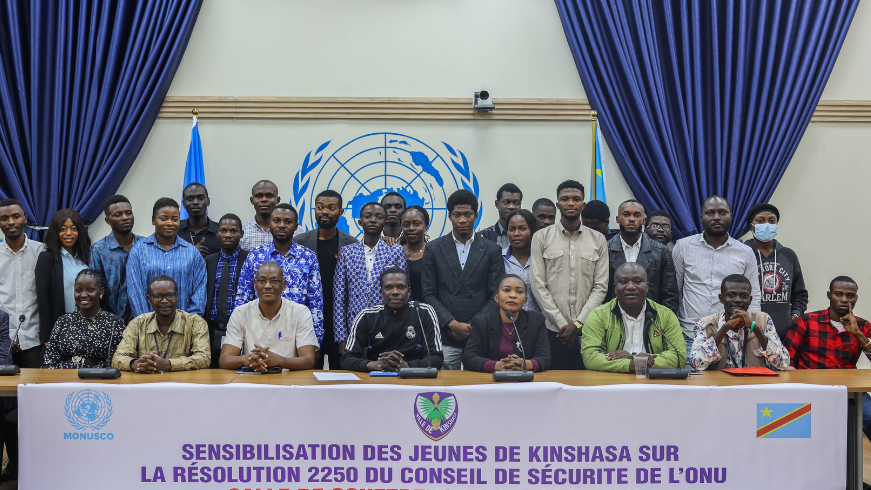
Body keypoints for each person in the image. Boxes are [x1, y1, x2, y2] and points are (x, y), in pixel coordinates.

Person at [421, 190, 504, 370]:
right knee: (445, 385)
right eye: (457, 215)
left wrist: (474, 325)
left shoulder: (491, 250)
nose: (462, 220)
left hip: (480, 333)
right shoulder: (434, 248)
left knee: (480, 383)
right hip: (446, 333)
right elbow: (428, 294)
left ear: (476, 215)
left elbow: (496, 295)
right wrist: (451, 324)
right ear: (449, 216)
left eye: (468, 214)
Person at [673, 195, 760, 366]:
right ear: (701, 217)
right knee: (693, 382)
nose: (717, 217)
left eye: (722, 213)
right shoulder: (682, 247)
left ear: (731, 216)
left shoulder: (745, 252)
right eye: (710, 213)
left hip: (733, 337)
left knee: (730, 383)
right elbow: (675, 291)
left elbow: (754, 297)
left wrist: (751, 334)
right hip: (691, 335)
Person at [531, 180, 608, 370]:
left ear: (583, 203)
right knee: (551, 383)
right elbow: (538, 285)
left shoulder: (598, 239)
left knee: (588, 383)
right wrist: (562, 324)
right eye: (565, 199)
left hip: (589, 330)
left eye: (576, 199)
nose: (571, 203)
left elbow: (600, 287)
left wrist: (578, 324)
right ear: (558, 204)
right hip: (551, 330)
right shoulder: (541, 237)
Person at [783, 277, 871, 441]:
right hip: (810, 389)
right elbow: (786, 359)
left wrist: (858, 335)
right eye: (838, 294)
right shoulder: (807, 321)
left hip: (850, 391)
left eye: (850, 296)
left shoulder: (862, 326)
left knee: (870, 416)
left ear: (856, 298)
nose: (844, 299)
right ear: (829, 295)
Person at [234, 203, 325, 344]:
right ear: (270, 223)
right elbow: (243, 298)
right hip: (259, 334)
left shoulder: (308, 257)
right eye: (276, 221)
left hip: (297, 335)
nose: (281, 225)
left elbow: (315, 302)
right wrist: (240, 338)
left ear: (296, 227)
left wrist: (315, 342)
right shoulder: (255, 255)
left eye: (288, 222)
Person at [580, 263, 685, 373]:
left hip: (653, 380)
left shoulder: (666, 315)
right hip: (613, 380)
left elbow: (679, 357)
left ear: (647, 287)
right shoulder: (598, 315)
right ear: (615, 288)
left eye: (638, 281)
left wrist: (636, 361)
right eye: (623, 282)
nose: (631, 287)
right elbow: (590, 357)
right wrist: (630, 364)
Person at [295, 190, 357, 369]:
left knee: (342, 378)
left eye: (331, 208)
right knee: (309, 377)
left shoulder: (351, 244)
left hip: (340, 324)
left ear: (341, 212)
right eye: (320, 207)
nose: (325, 212)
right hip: (309, 322)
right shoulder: (300, 242)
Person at [218, 262, 318, 371]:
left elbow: (309, 360)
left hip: (287, 378)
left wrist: (280, 361)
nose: (267, 286)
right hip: (252, 377)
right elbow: (224, 360)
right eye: (262, 281)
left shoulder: (300, 313)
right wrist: (248, 359)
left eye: (274, 281)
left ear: (283, 285)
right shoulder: (240, 313)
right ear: (255, 284)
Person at [341, 267, 443, 372]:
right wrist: (374, 365)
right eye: (388, 287)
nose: (395, 292)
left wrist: (407, 366)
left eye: (401, 287)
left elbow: (437, 358)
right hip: (377, 376)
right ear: (381, 292)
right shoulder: (366, 316)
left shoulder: (424, 312)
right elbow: (346, 358)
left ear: (408, 291)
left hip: (414, 375)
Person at [334, 203, 407, 348]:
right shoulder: (347, 252)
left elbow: (404, 294)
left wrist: (401, 330)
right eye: (368, 216)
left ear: (385, 223)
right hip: (354, 326)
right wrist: (341, 338)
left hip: (388, 324)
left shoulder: (396, 251)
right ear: (360, 222)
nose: (373, 220)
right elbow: (339, 297)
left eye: (379, 217)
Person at [126, 198, 207, 318]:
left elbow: (199, 294)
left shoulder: (192, 253)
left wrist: (188, 323)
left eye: (175, 219)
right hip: (147, 325)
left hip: (185, 325)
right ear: (153, 220)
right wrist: (147, 324)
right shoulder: (138, 251)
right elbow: (135, 294)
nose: (170, 223)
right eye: (163, 219)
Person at [690, 275, 789, 371]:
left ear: (750, 300)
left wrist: (755, 328)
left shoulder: (764, 319)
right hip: (720, 381)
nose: (737, 300)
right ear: (721, 298)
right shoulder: (705, 324)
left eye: (744, 296)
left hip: (755, 381)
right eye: (731, 295)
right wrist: (725, 327)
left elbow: (783, 363)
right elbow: (696, 364)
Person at [112, 275, 210, 372]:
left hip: (181, 381)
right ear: (149, 299)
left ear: (176, 296)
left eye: (170, 295)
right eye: (157, 297)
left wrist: (168, 364)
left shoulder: (196, 323)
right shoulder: (137, 324)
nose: (164, 301)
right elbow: (117, 358)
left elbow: (204, 358)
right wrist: (136, 364)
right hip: (147, 380)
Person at [743, 203, 808, 341]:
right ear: (751, 226)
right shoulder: (742, 254)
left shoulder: (788, 256)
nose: (767, 225)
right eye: (760, 221)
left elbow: (800, 295)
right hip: (749, 334)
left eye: (772, 221)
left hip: (783, 335)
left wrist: (793, 318)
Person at [463, 274, 550, 372]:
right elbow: (469, 358)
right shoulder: (482, 322)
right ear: (496, 297)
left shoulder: (536, 320)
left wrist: (525, 364)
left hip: (525, 379)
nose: (513, 295)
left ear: (525, 300)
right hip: (490, 379)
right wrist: (498, 366)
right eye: (506, 290)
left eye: (519, 291)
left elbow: (545, 358)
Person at [43, 269, 126, 369]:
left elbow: (117, 362)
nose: (83, 295)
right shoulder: (63, 321)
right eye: (78, 290)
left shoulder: (114, 323)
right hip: (63, 375)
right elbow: (49, 361)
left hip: (98, 376)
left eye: (90, 290)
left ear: (101, 292)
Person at [605, 200, 678, 312]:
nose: (632, 219)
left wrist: (663, 320)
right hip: (613, 316)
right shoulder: (605, 249)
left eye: (637, 215)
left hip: (650, 316)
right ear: (618, 219)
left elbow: (670, 294)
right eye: (626, 214)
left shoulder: (661, 251)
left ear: (644, 221)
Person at [0, 199, 45, 368]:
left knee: (34, 385)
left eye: (16, 216)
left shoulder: (42, 251)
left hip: (34, 341)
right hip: (2, 342)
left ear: (25, 219)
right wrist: (4, 337)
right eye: (4, 218)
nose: (11, 222)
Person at [35, 209, 90, 344]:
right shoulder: (47, 258)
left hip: (89, 326)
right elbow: (43, 298)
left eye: (74, 228)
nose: (69, 233)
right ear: (55, 232)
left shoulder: (87, 257)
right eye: (63, 229)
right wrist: (47, 337)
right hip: (61, 329)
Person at [204, 214, 249, 368]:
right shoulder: (208, 261)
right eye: (223, 231)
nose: (228, 235)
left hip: (242, 330)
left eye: (233, 231)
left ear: (241, 234)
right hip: (212, 329)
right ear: (217, 233)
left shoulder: (249, 259)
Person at [90, 195, 143, 323]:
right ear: (108, 221)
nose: (125, 217)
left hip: (145, 320)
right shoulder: (99, 250)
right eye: (118, 215)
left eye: (128, 213)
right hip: (113, 322)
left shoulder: (145, 245)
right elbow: (95, 290)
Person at [502, 209, 539, 312]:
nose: (516, 233)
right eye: (512, 229)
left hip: (538, 319)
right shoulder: (500, 258)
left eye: (522, 229)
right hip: (509, 318)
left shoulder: (541, 259)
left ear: (532, 231)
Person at [178, 182, 220, 257]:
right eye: (190, 199)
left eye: (200, 198)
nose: (195, 202)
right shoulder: (175, 230)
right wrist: (190, 254)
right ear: (183, 204)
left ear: (208, 201)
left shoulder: (221, 231)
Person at [240, 180, 280, 251]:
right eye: (259, 196)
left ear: (278, 200)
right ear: (252, 200)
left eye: (269, 196)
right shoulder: (242, 231)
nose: (264, 200)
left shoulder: (294, 231)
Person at [401, 205, 430, 302]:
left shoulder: (433, 252)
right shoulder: (395, 252)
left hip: (427, 308)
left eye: (417, 224)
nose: (411, 228)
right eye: (406, 225)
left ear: (426, 226)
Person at [481, 183, 522, 248]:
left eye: (516, 203)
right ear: (497, 204)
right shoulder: (484, 236)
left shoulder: (527, 235)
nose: (511, 206)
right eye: (506, 202)